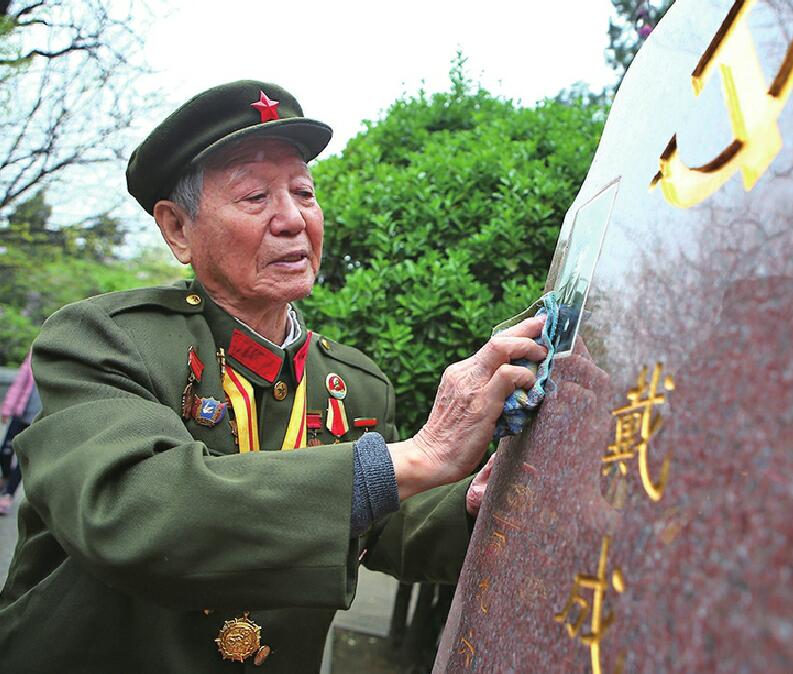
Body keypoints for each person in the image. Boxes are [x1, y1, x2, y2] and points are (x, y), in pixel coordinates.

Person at [0, 80, 546, 673]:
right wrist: (419, 456)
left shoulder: (354, 380)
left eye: (304, 192)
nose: (292, 219)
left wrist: (472, 503)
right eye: (255, 196)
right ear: (178, 229)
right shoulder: (103, 340)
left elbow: (387, 526)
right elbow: (130, 513)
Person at [0, 350, 40, 515]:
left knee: (24, 459)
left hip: (37, 420)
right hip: (20, 413)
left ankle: (8, 494)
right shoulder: (35, 352)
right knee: (5, 450)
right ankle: (6, 477)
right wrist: (8, 408)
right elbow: (19, 382)